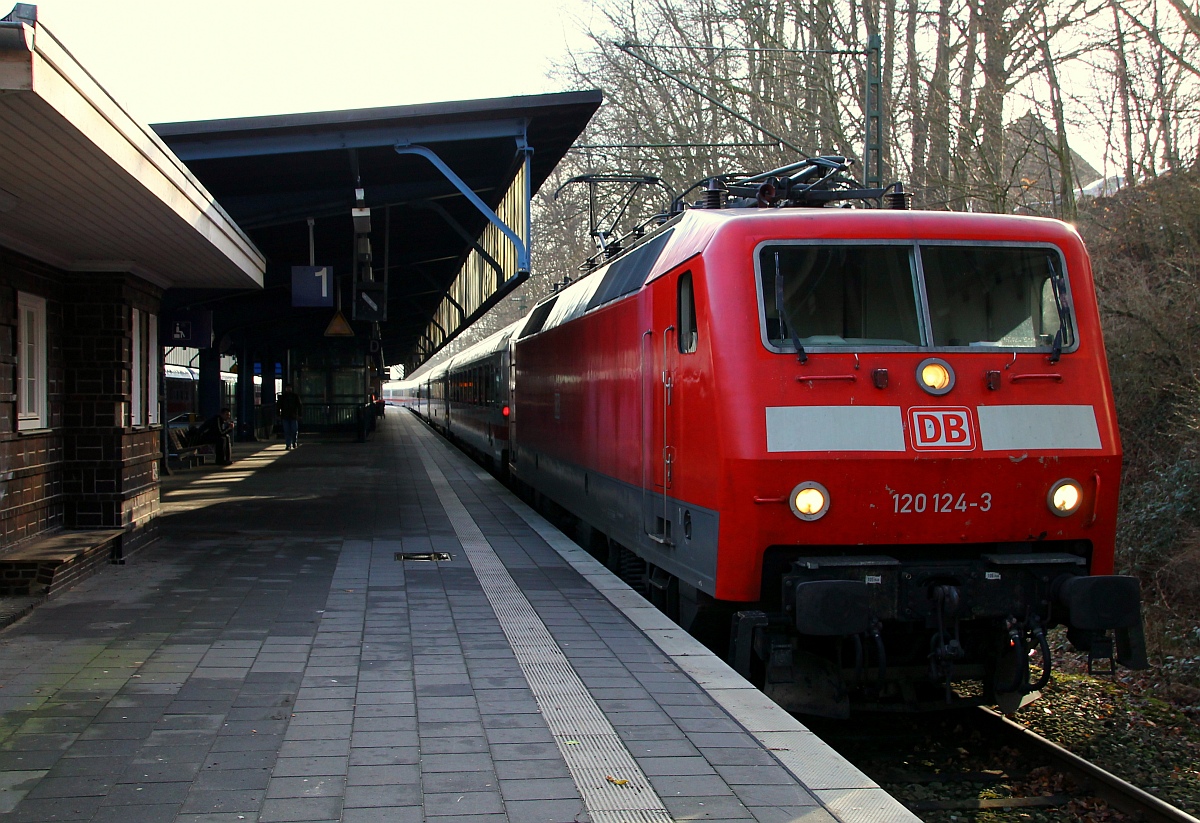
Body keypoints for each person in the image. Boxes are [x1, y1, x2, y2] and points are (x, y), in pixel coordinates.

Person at [277, 384, 303, 449]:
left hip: (290, 416)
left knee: (292, 430)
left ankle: (293, 442)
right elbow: (278, 406)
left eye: (289, 388)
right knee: (288, 431)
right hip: (288, 416)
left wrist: (299, 415)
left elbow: (299, 406)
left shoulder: (293, 396)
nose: (288, 389)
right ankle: (289, 444)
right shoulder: (287, 397)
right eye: (287, 388)